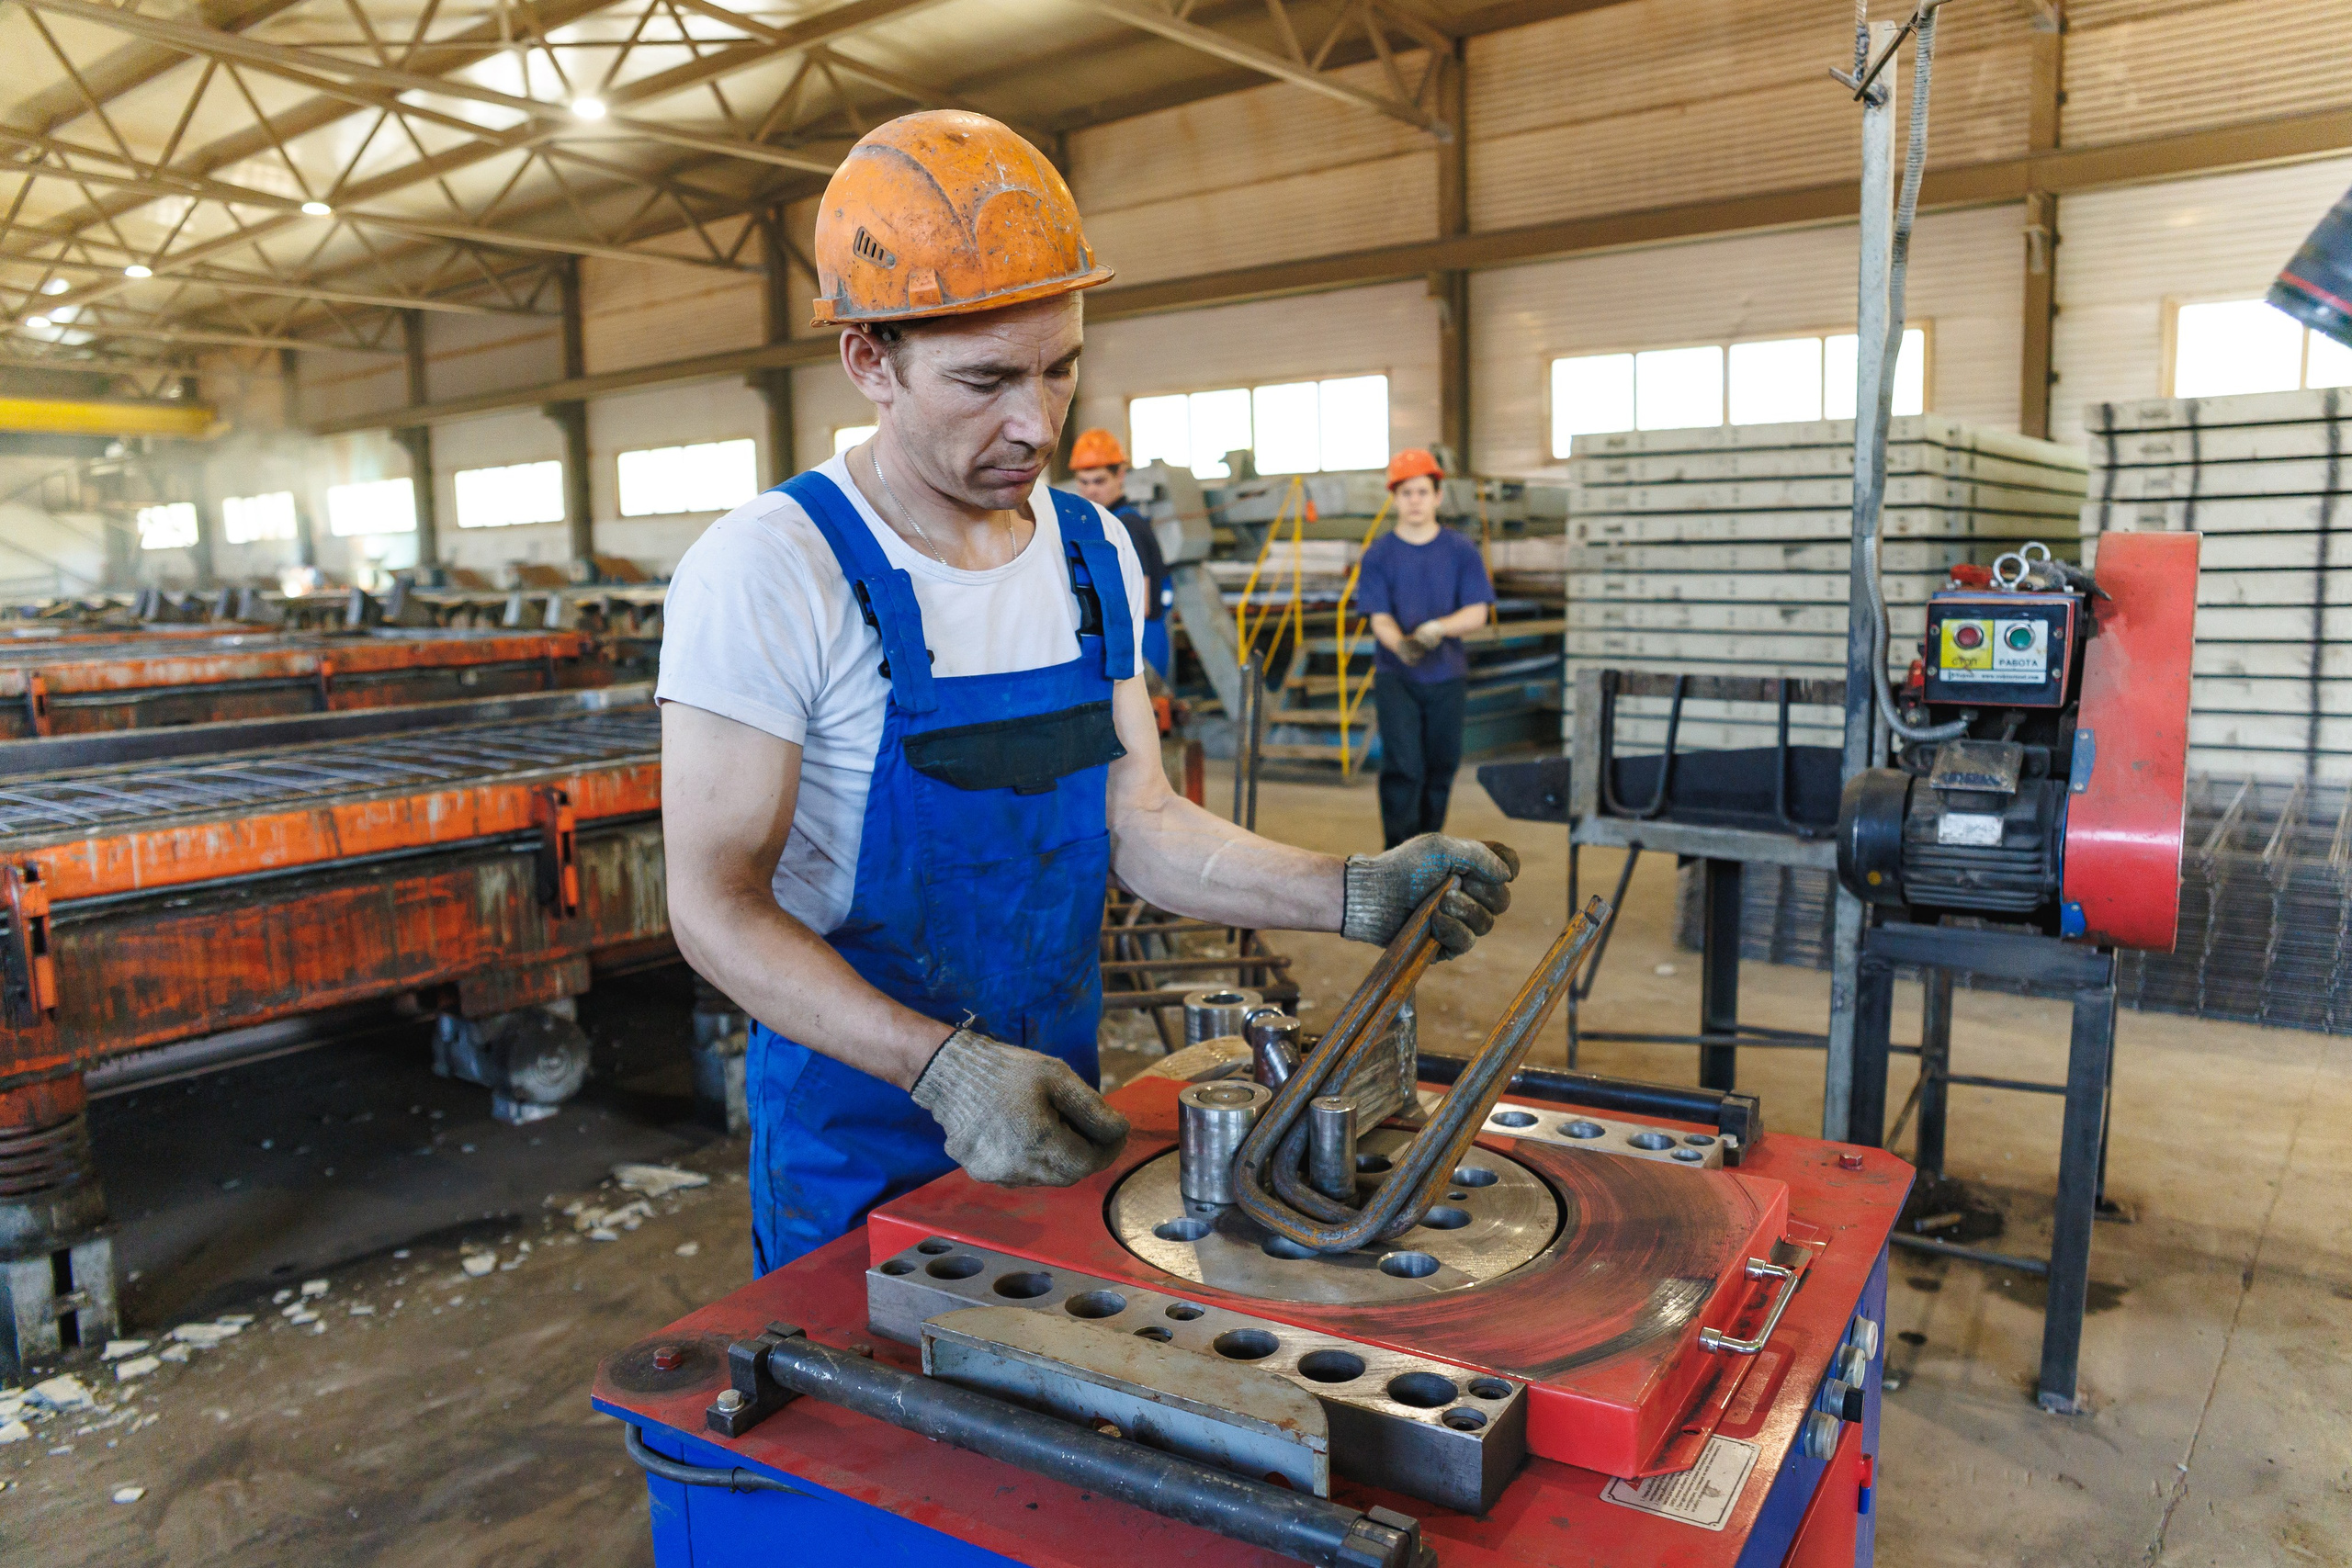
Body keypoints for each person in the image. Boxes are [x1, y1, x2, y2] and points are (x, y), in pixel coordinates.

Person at [655, 111, 1521, 1272]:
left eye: (1061, 368)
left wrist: (1352, 890)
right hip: (859, 1126)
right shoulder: (771, 567)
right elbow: (712, 902)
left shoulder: (1089, 550)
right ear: (869, 359)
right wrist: (940, 1067)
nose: (1038, 424)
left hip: (1061, 1105)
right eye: (986, 380)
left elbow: (1141, 823)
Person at [1354, 448, 1496, 851]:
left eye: (1421, 491)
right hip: (1396, 677)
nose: (1414, 500)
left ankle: (1428, 851)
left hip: (1447, 676)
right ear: (1395, 499)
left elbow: (1477, 612)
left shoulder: (1460, 550)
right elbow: (1378, 614)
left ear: (1437, 496)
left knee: (1439, 768)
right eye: (1406, 493)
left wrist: (1437, 629)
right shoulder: (1380, 555)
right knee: (1403, 768)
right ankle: (1399, 858)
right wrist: (1400, 644)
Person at [1068, 428, 1173, 682]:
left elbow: (1142, 603)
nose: (1091, 491)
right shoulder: (1108, 523)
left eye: (1099, 481)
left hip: (1141, 647)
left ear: (1120, 476)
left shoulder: (1127, 526)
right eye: (1084, 482)